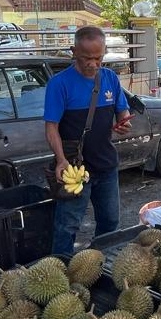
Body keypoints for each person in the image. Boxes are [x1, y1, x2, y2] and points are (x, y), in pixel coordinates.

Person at [44, 26, 132, 255]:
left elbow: (122, 110)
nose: (93, 64)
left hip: (107, 166)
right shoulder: (59, 84)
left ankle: (101, 265)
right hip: (75, 168)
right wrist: (61, 160)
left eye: (98, 58)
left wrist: (123, 121)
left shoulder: (110, 78)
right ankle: (60, 270)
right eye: (86, 59)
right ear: (74, 51)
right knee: (67, 226)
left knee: (110, 223)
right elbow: (51, 127)